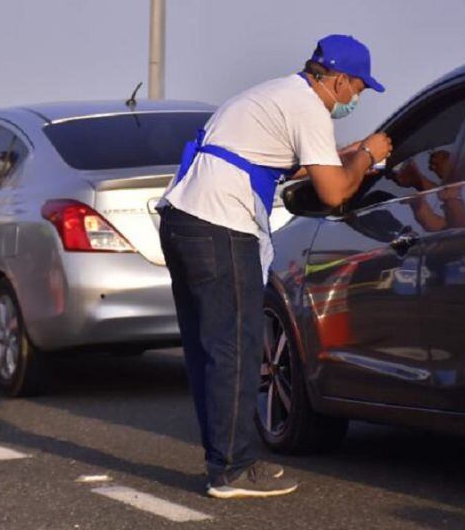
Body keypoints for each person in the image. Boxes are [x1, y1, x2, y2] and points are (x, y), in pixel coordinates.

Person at [157, 35, 393, 498]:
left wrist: (352, 151)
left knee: (209, 350)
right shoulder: (309, 107)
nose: (357, 99)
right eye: (359, 90)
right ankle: (232, 469)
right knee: (237, 348)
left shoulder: (275, 94)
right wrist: (368, 155)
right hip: (221, 224)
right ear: (339, 80)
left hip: (183, 220)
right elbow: (335, 193)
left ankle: (221, 459)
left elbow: (295, 163)